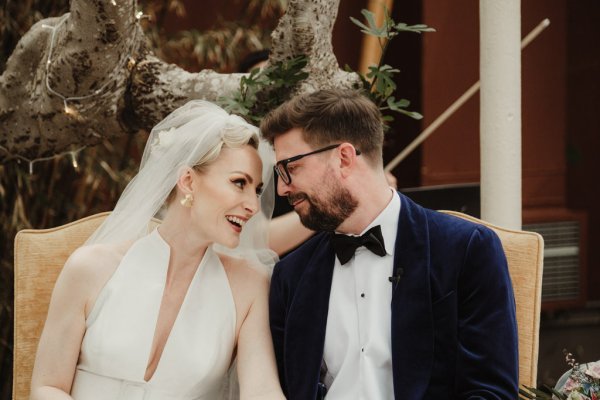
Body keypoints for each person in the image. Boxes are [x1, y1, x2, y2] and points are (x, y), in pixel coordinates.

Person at [260, 89, 519, 399]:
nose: (283, 187)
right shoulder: (291, 276)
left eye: (291, 167)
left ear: (344, 157)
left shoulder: (465, 250)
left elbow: (490, 391)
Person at [30, 101, 285, 400]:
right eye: (238, 182)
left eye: (256, 190)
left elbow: (263, 391)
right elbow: (47, 387)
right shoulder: (90, 268)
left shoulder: (249, 286)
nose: (253, 206)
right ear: (188, 180)